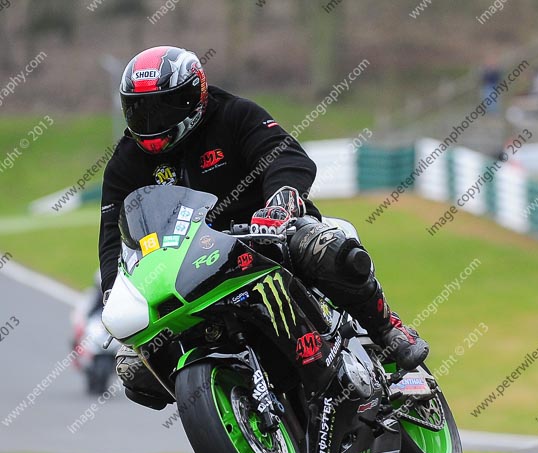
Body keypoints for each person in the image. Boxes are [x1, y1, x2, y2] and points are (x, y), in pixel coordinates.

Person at [99, 46, 428, 409]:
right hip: (190, 266)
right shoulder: (127, 160)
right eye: (138, 111)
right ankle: (224, 401)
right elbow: (113, 232)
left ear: (193, 96)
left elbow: (284, 155)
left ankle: (387, 329)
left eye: (161, 109)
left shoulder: (234, 114)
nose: (150, 123)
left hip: (266, 236)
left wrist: (281, 202)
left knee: (319, 246)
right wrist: (115, 290)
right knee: (134, 365)